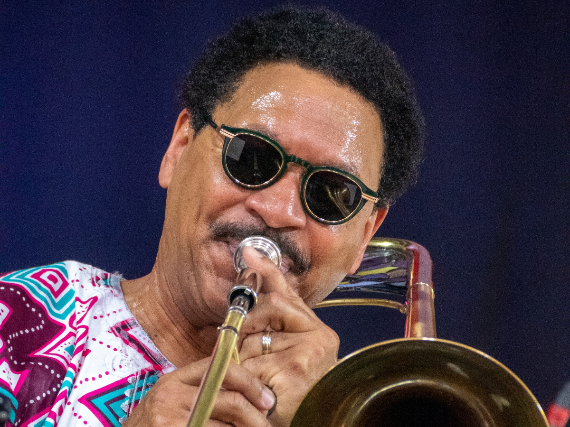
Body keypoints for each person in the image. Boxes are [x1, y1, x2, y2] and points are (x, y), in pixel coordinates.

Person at [0, 6, 423, 427]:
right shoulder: (18, 321)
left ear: (365, 235)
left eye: (332, 194)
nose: (278, 210)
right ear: (179, 149)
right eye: (251, 158)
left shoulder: (353, 417)